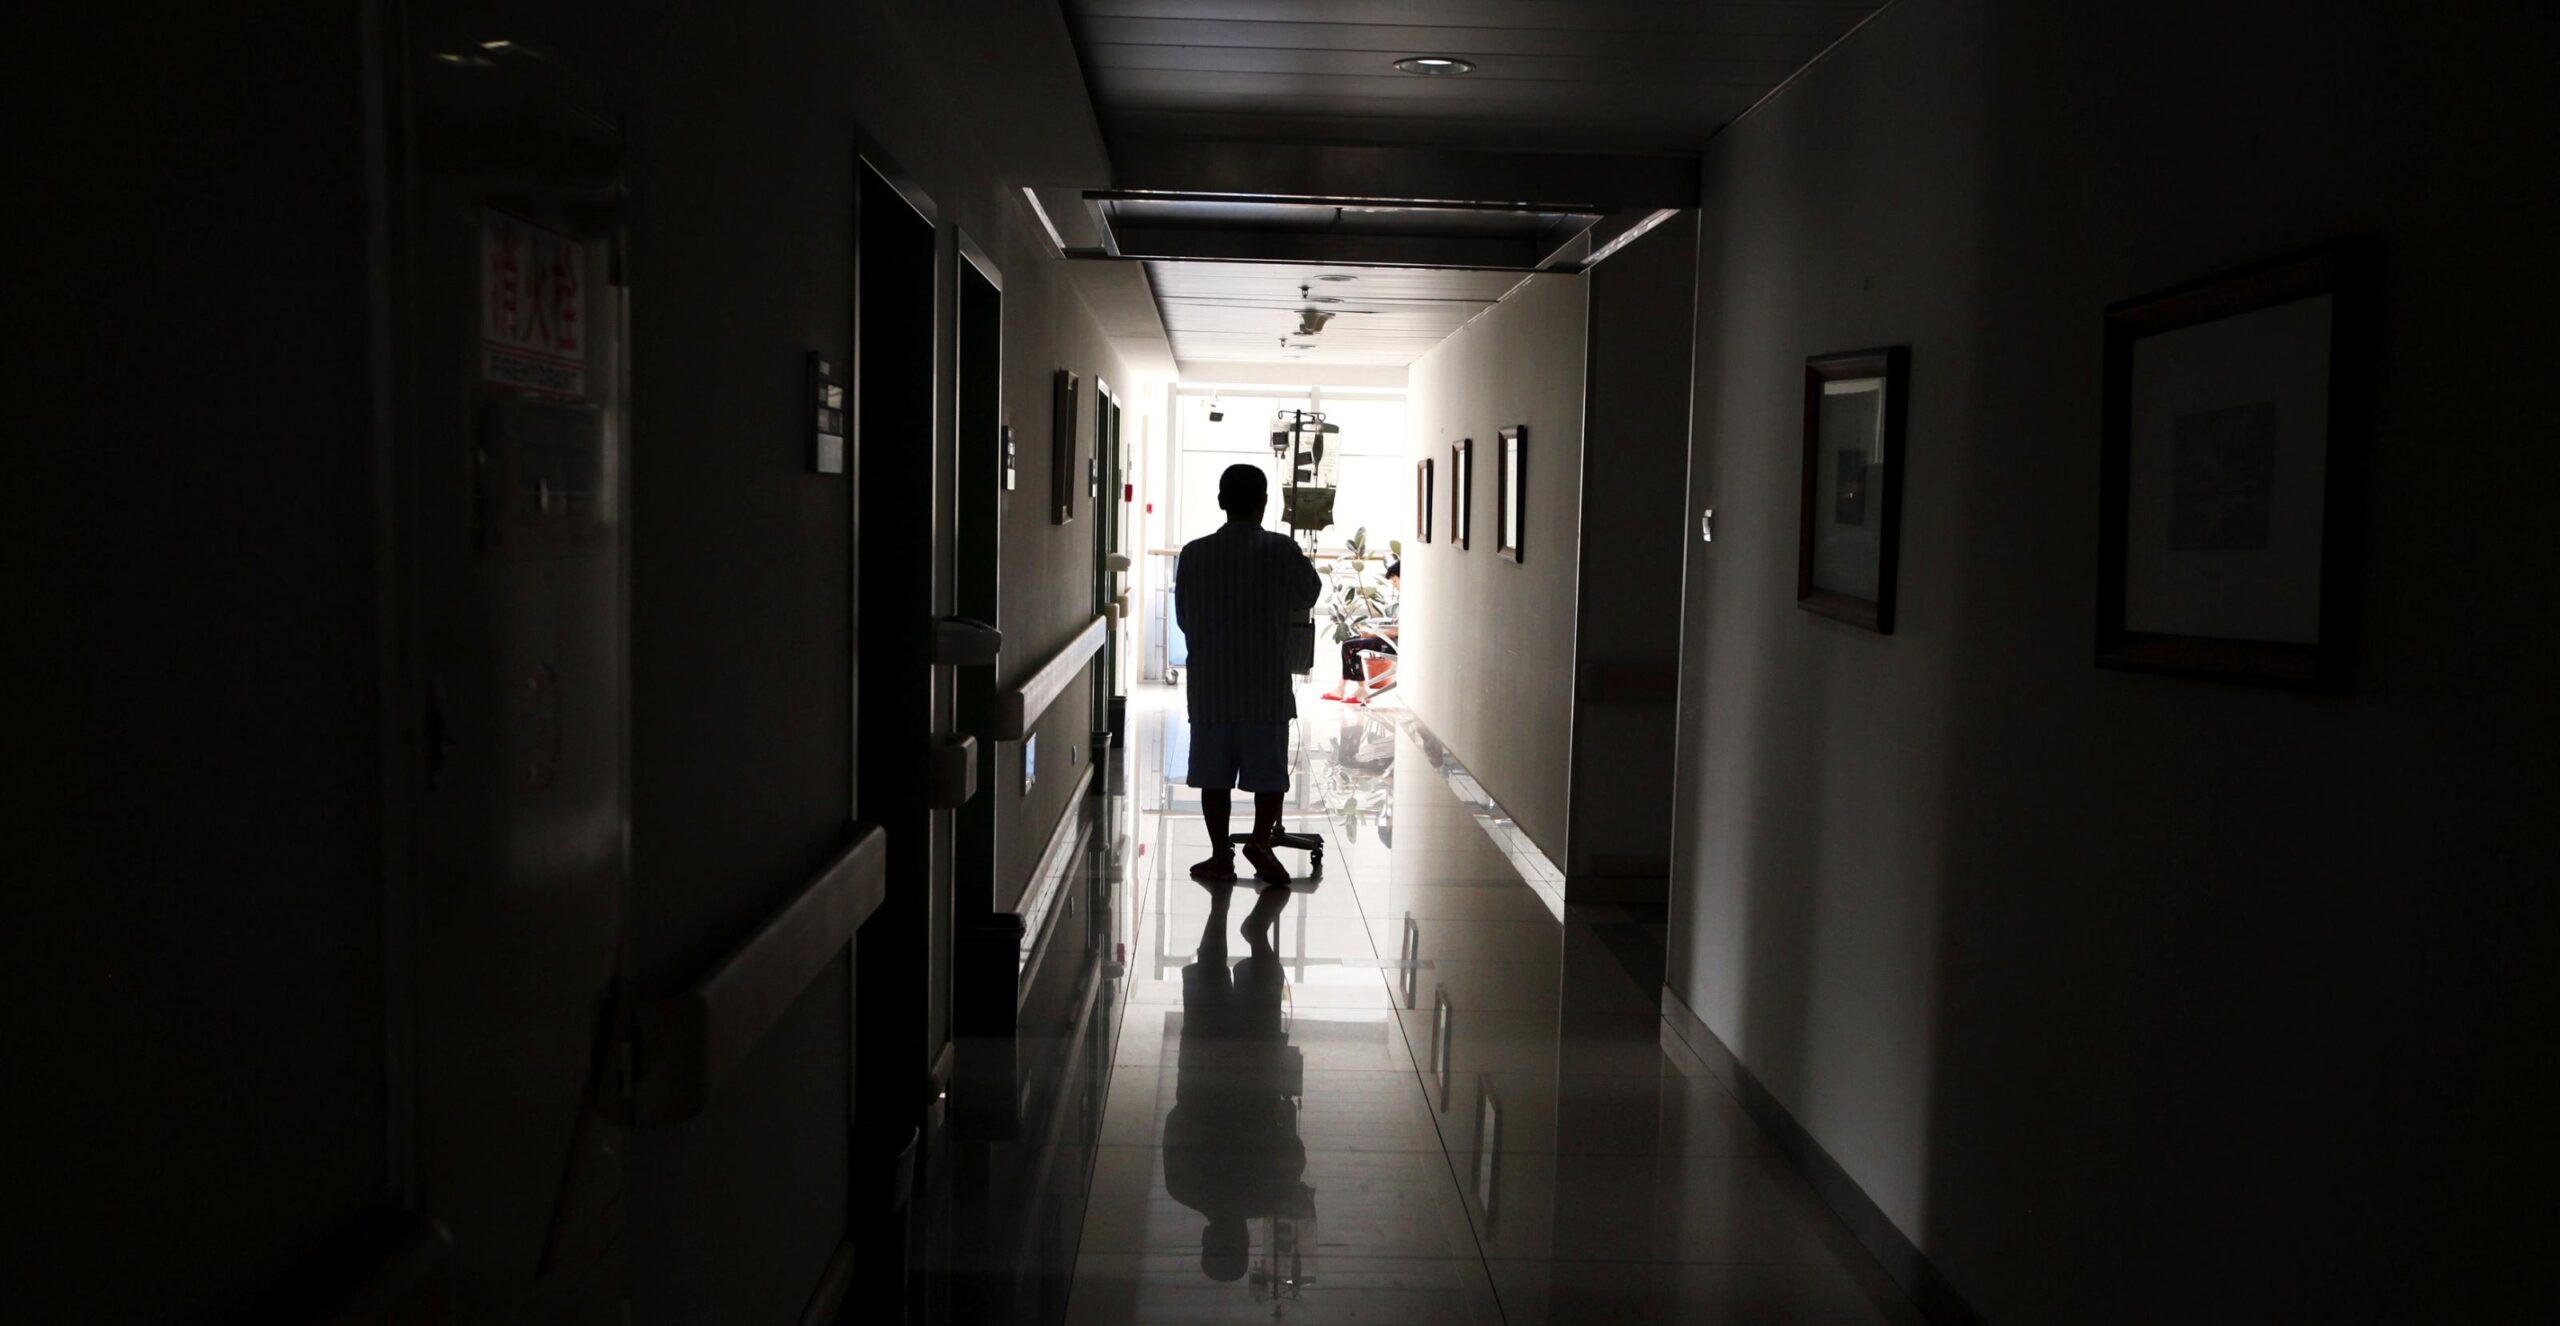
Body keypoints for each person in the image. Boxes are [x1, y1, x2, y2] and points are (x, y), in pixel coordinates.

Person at [1175, 463, 1321, 886]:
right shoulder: (1281, 549)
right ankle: (1259, 840)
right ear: (1264, 502)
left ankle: (1221, 857)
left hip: (1212, 682)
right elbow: (1309, 593)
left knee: (1213, 775)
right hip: (1265, 681)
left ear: (1222, 501)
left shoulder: (1195, 553)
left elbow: (1184, 617)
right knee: (1269, 771)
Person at [1319, 558, 1399, 705]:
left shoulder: (1410, 601)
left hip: (1392, 644)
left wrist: (1372, 634)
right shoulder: (1405, 599)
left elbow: (1397, 632)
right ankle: (1342, 688)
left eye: (1395, 580)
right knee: (1348, 642)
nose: (1394, 584)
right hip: (1388, 640)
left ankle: (1359, 690)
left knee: (1349, 646)